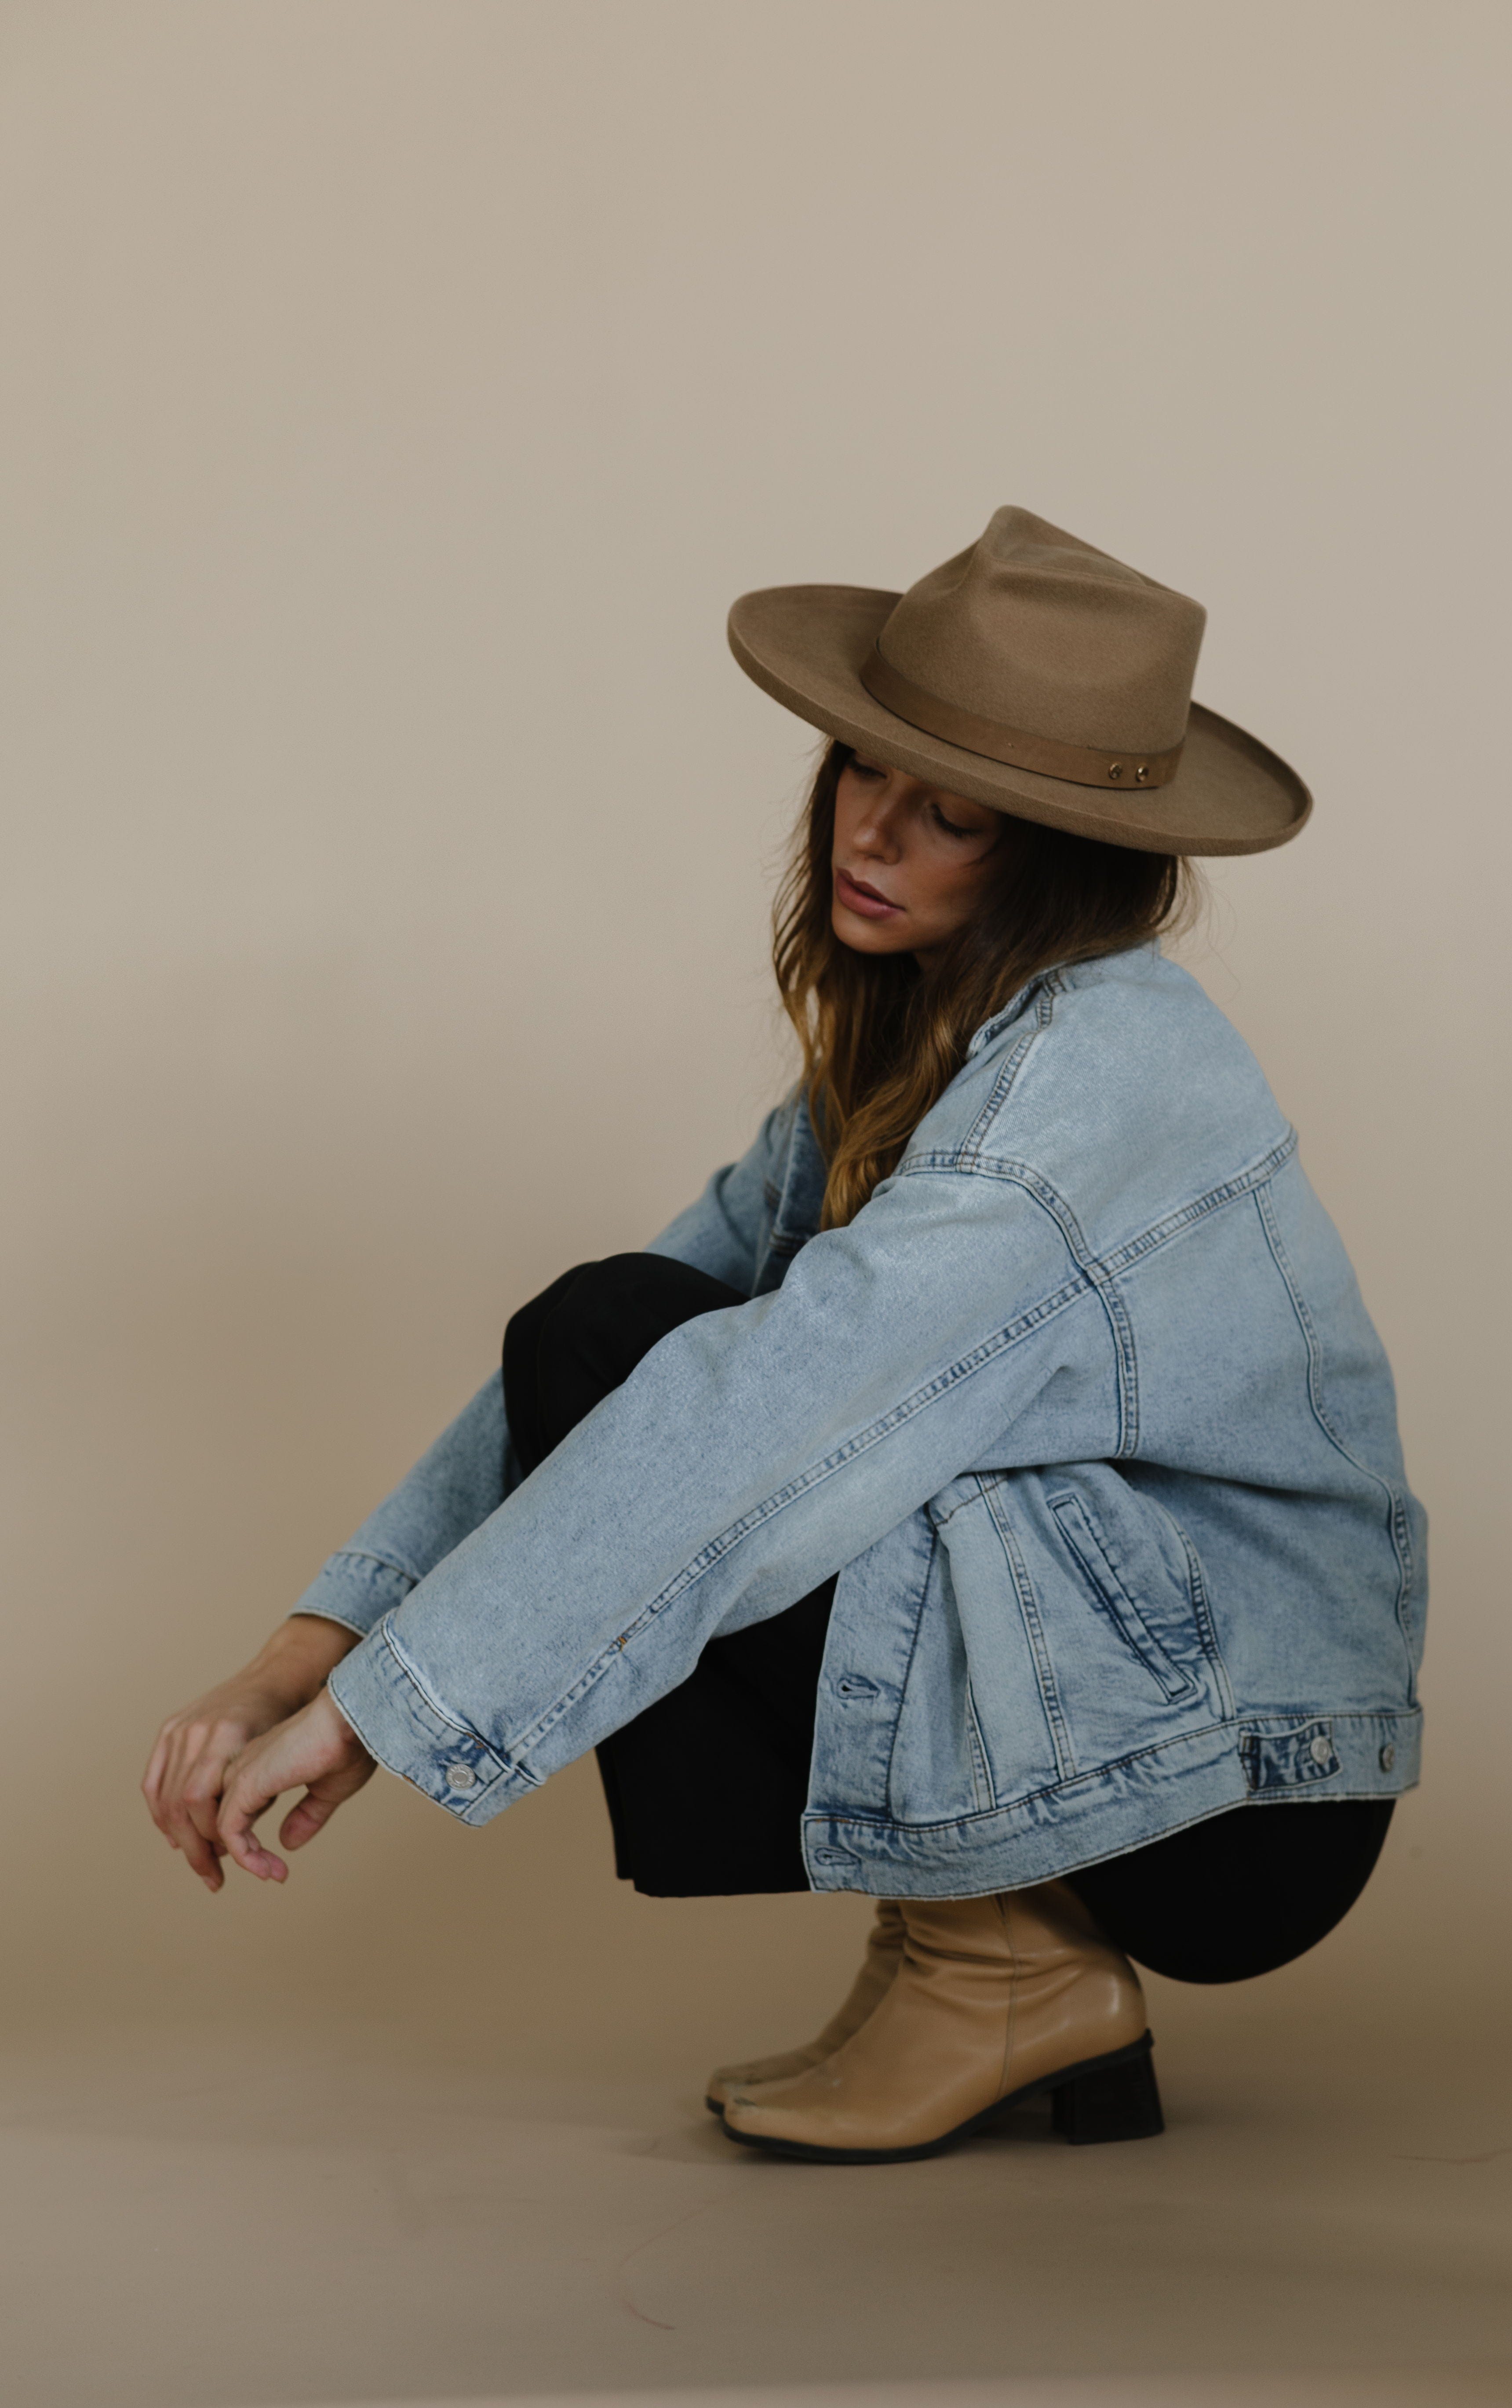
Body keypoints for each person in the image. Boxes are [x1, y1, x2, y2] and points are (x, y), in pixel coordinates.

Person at [142, 507, 1424, 2165]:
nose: (872, 836)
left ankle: (999, 1968)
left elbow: (757, 1411)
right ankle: (992, 1961)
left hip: (1246, 1783)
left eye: (950, 815)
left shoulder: (1093, 1081)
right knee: (609, 1333)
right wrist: (301, 1654)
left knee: (697, 1395)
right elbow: (619, 1350)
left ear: (1057, 855)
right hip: (1129, 1689)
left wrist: (384, 1716)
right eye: (858, 771)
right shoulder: (928, 1045)